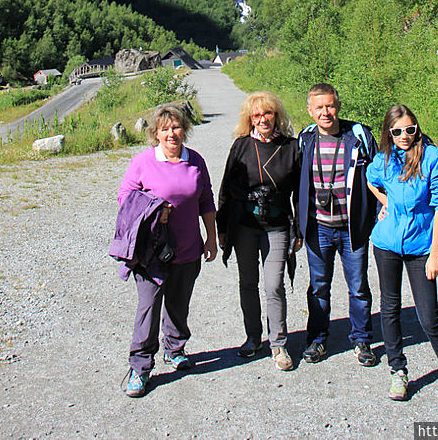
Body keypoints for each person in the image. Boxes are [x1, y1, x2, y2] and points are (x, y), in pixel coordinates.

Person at [116, 103, 217, 397]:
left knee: (178, 303)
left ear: (184, 130)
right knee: (148, 307)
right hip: (151, 251)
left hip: (187, 248)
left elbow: (206, 200)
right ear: (155, 134)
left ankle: (175, 349)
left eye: (176, 128)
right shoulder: (142, 162)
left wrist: (210, 238)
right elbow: (125, 195)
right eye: (164, 129)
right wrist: (153, 210)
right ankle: (140, 367)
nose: (171, 134)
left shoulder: (195, 160)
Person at [366, 104, 438, 404]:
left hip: (421, 247)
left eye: (410, 129)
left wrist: (435, 254)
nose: (404, 136)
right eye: (397, 131)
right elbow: (370, 179)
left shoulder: (435, 159)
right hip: (386, 244)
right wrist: (385, 204)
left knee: (429, 315)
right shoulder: (384, 160)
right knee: (390, 308)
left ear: (417, 128)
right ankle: (398, 370)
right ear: (389, 133)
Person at [217, 91, 302, 371]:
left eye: (268, 113)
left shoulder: (291, 147)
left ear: (276, 115)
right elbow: (226, 189)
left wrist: (298, 230)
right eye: (257, 115)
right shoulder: (240, 146)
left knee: (274, 285)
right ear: (249, 119)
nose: (263, 119)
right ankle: (253, 338)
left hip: (277, 225)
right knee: (247, 283)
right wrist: (221, 228)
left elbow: (300, 194)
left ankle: (278, 343)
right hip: (244, 225)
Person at [298, 83, 378, 366]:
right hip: (319, 227)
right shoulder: (305, 139)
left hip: (351, 228)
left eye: (330, 106)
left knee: (358, 286)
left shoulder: (358, 137)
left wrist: (377, 218)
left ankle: (362, 340)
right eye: (319, 107)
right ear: (309, 110)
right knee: (319, 286)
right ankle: (317, 340)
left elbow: (377, 180)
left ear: (338, 106)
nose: (325, 112)